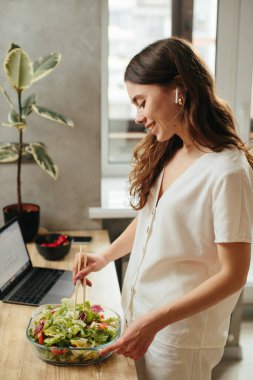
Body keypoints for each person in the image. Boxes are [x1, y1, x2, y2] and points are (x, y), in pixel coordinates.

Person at [73, 37, 253, 380]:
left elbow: (234, 275)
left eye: (141, 102)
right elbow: (150, 219)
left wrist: (155, 321)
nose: (138, 117)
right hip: (141, 319)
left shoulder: (228, 170)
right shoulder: (171, 150)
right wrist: (104, 257)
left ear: (179, 90)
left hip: (179, 339)